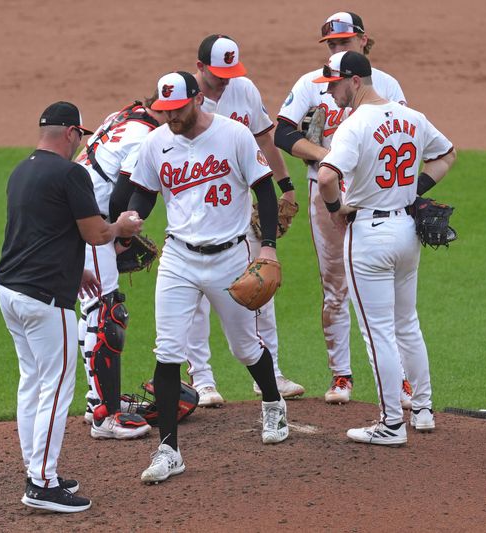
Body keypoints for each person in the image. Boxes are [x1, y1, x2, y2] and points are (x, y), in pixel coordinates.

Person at [124, 71, 290, 484]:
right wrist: (132, 218)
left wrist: (267, 245)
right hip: (178, 257)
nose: (170, 117)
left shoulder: (234, 135)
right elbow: (143, 192)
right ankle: (168, 450)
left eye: (177, 109)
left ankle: (272, 402)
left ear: (197, 100)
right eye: (164, 110)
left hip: (231, 257)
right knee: (167, 351)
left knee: (245, 348)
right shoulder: (156, 142)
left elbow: (265, 192)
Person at [0, 101, 143, 511]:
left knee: (32, 383)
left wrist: (76, 272)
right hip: (44, 299)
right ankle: (41, 485)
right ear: (72, 133)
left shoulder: (22, 170)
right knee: (57, 388)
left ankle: (37, 469)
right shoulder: (71, 173)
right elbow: (97, 234)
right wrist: (123, 227)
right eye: (81, 134)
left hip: (11, 291)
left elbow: (36, 231)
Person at [315, 51, 456, 445]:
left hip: (369, 237)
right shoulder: (412, 117)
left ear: (355, 80)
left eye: (334, 84)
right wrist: (413, 192)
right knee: (406, 323)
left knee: (377, 332)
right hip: (406, 232)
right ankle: (423, 411)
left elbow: (326, 176)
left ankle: (392, 423)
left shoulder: (354, 125)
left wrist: (336, 210)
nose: (331, 91)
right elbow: (447, 155)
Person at [274, 11, 414, 407]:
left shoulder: (386, 84)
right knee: (334, 284)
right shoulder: (311, 83)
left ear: (363, 41)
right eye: (331, 44)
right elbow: (284, 131)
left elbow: (402, 133)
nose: (337, 49)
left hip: (375, 195)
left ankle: (401, 381)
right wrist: (326, 155)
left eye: (343, 42)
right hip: (325, 192)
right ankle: (342, 376)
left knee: (384, 290)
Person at [185, 34, 304, 407]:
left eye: (229, 73)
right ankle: (202, 381)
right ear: (200, 67)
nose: (224, 80)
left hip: (239, 211)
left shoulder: (244, 89)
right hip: (194, 214)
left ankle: (271, 374)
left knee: (260, 287)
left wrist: (285, 187)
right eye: (217, 73)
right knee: (196, 299)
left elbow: (266, 141)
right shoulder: (184, 100)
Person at [73, 95, 167, 440]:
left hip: (77, 213)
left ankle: (95, 401)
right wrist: (120, 239)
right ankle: (104, 415)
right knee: (107, 314)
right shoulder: (147, 138)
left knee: (93, 309)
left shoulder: (124, 115)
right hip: (93, 220)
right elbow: (119, 198)